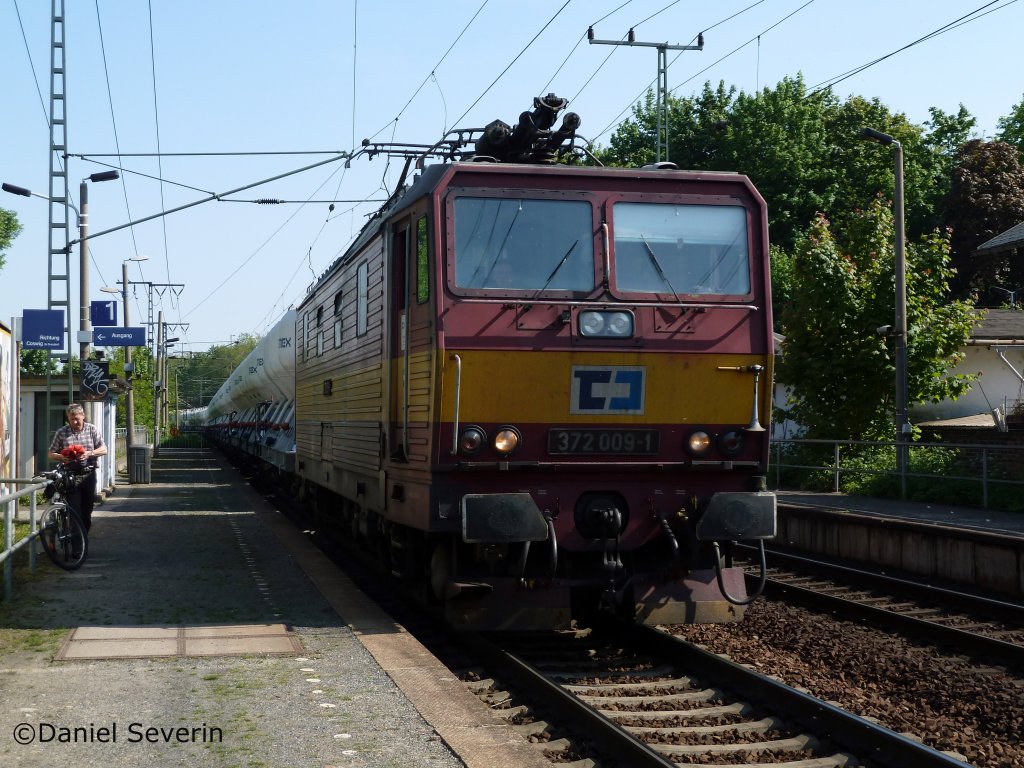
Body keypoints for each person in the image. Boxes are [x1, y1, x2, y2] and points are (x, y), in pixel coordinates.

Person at [48, 403, 107, 532]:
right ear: (68, 418)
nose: (74, 422)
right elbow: (51, 453)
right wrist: (62, 457)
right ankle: (76, 547)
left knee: (87, 510)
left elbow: (104, 449)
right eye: (71, 419)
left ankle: (83, 537)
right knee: (74, 510)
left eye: (77, 419)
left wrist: (89, 453)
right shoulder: (62, 432)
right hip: (69, 476)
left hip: (88, 474)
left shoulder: (92, 430)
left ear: (83, 416)